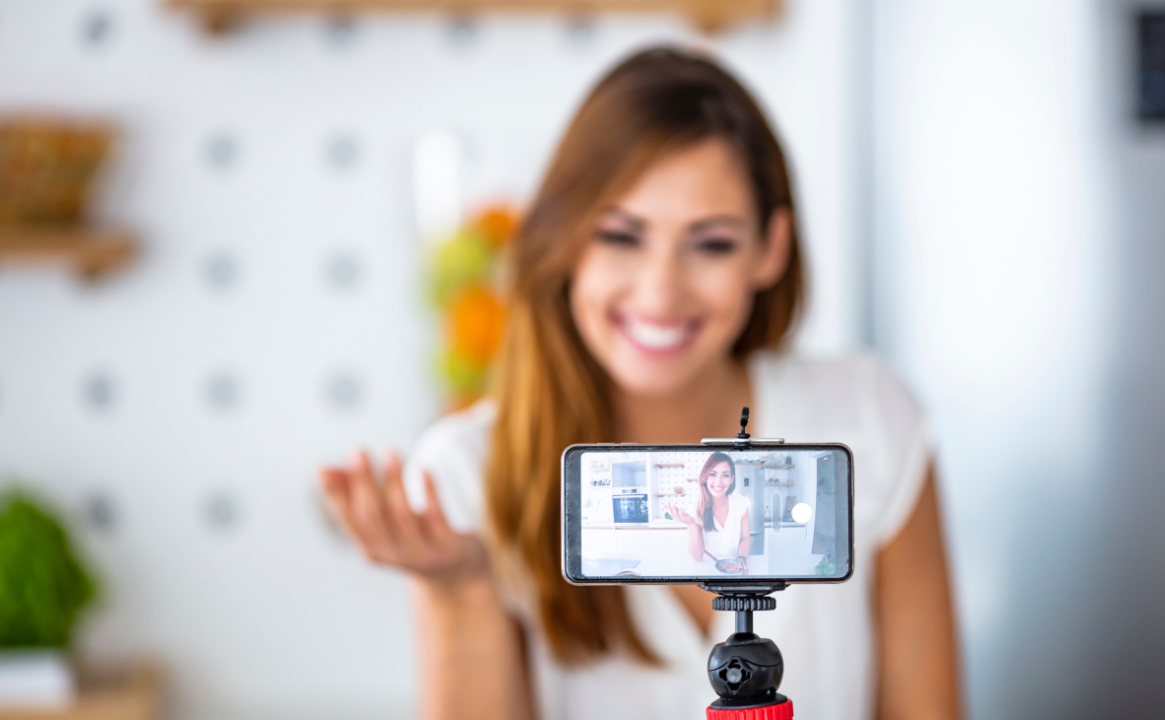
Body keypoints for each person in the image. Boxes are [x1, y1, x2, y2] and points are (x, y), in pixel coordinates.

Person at [318, 47, 961, 720]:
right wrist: (462, 591)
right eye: (621, 237)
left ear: (771, 248)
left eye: (711, 243)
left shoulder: (868, 419)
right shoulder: (464, 472)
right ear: (566, 241)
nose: (660, 291)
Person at [665, 452, 750, 568]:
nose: (718, 481)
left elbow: (745, 537)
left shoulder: (740, 502)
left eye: (725, 475)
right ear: (705, 477)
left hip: (734, 570)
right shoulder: (695, 508)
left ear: (731, 479)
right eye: (713, 474)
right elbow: (697, 556)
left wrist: (741, 558)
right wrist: (691, 524)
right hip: (707, 572)